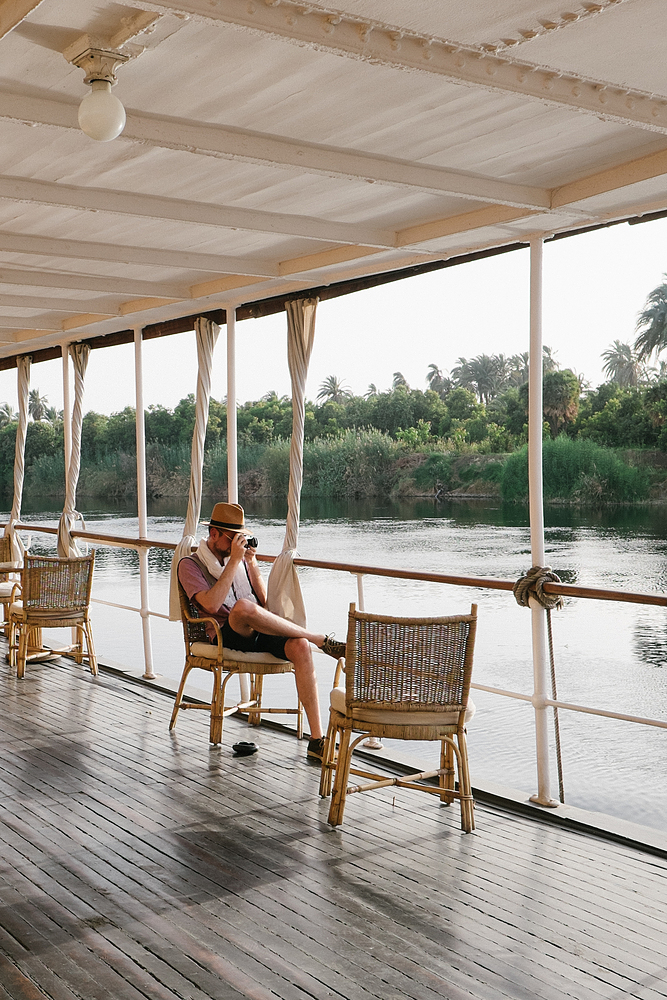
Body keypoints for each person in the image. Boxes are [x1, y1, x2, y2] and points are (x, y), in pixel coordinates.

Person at [177, 502, 345, 761]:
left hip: (256, 627)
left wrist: (251, 562)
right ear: (213, 535)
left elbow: (264, 603)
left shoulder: (241, 559)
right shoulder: (190, 565)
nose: (238, 544)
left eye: (241, 538)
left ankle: (316, 740)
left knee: (299, 646)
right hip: (225, 633)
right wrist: (234, 560)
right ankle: (319, 639)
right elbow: (210, 604)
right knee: (243, 608)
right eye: (233, 538)